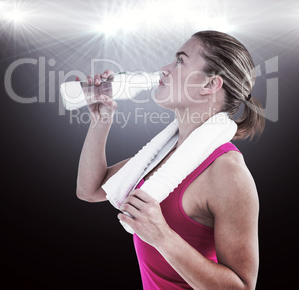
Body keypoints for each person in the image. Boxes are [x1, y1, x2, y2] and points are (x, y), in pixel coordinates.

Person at [76, 30, 265, 289]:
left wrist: (162, 236)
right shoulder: (165, 155)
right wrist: (101, 120)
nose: (165, 69)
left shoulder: (227, 172)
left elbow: (242, 287)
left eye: (180, 60)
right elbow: (90, 190)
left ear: (210, 85)